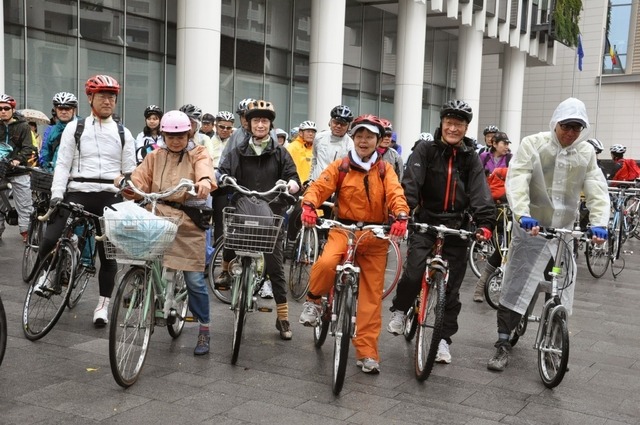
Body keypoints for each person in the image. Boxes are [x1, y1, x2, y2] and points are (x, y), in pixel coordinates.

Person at [486, 97, 609, 372]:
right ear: (556, 123)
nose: (571, 132)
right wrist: (522, 213)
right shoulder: (534, 144)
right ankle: (503, 343)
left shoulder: (586, 153)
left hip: (563, 233)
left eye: (577, 128)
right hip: (532, 228)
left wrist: (600, 222)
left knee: (562, 289)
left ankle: (554, 344)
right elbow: (518, 178)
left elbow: (596, 187)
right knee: (516, 283)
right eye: (567, 126)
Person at [386, 100, 495, 365]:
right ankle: (401, 309)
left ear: (466, 127)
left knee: (452, 290)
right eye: (449, 123)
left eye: (459, 124)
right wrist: (404, 213)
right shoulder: (426, 149)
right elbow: (411, 183)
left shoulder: (470, 157)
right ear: (442, 124)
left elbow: (480, 191)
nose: (453, 128)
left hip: (457, 226)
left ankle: (443, 340)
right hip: (426, 221)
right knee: (413, 272)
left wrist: (485, 223)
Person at [298, 114, 409, 374]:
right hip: (344, 229)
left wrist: (401, 215)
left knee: (370, 299)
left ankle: (367, 353)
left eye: (369, 136)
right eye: (359, 135)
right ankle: (314, 301)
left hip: (374, 236)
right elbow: (319, 187)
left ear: (378, 141)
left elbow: (396, 194)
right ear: (353, 137)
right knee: (326, 262)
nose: (363, 140)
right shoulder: (341, 166)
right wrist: (308, 204)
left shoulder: (385, 169)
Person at [35, 75, 136, 326]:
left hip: (109, 196)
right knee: (50, 237)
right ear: (90, 98)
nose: (108, 101)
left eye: (112, 96)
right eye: (102, 95)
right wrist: (57, 193)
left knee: (108, 256)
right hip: (77, 190)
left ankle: (102, 305)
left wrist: (128, 190)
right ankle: (49, 273)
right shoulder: (75, 128)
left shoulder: (123, 132)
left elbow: (130, 171)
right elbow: (62, 163)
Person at [116, 110, 215, 355]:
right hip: (157, 214)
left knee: (193, 279)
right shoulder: (154, 156)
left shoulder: (198, 152)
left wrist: (203, 182)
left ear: (189, 133)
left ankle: (204, 328)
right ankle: (145, 293)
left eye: (180, 135)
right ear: (163, 135)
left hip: (187, 221)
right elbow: (139, 180)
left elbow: (205, 169)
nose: (175, 140)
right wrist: (128, 187)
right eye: (170, 136)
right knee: (143, 259)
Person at [216, 99, 301, 340]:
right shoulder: (237, 151)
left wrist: (292, 185)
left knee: (275, 264)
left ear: (270, 125)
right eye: (256, 120)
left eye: (264, 120)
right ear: (249, 124)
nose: (260, 124)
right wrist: (221, 178)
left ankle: (282, 316)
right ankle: (226, 270)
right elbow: (222, 171)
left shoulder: (280, 153)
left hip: (271, 211)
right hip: (243, 208)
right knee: (229, 236)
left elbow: (293, 177)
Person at [472, 132, 513, 302]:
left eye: (507, 143)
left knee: (507, 247)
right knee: (499, 248)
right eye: (504, 143)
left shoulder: (511, 159)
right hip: (490, 206)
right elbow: (477, 178)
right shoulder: (483, 156)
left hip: (508, 207)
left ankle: (486, 287)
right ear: (495, 143)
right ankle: (481, 287)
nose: (506, 146)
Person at [0, 93, 35, 242]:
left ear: (13, 110)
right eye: (0, 108)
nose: (3, 111)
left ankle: (26, 233)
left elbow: (29, 148)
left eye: (6, 108)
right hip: (0, 171)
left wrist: (17, 160)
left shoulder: (23, 126)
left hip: (19, 171)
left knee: (24, 204)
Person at [284, 120, 316, 258]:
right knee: (297, 211)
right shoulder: (292, 147)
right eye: (308, 131)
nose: (311, 134)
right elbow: (288, 166)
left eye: (313, 131)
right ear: (301, 133)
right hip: (297, 185)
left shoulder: (316, 147)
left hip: (313, 186)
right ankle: (291, 240)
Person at [310, 105, 354, 181]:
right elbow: (314, 159)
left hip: (333, 187)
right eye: (336, 122)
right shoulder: (319, 137)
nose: (338, 126)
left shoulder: (350, 145)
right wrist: (310, 178)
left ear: (348, 127)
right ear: (330, 122)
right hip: (315, 184)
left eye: (343, 124)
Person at [40, 92, 80, 173]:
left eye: (67, 109)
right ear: (55, 110)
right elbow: (46, 152)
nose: (64, 112)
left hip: (78, 176)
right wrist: (47, 167)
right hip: (57, 174)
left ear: (74, 110)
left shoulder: (83, 127)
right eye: (60, 109)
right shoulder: (51, 130)